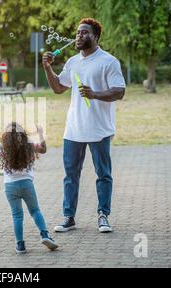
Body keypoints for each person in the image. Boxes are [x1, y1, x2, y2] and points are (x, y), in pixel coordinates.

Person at [42, 18, 126, 233]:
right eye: (78, 32)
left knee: (103, 175)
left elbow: (119, 91)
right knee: (71, 176)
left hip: (99, 130)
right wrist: (47, 68)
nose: (79, 36)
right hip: (73, 129)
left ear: (96, 37)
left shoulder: (108, 61)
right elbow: (59, 88)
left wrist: (95, 94)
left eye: (85, 32)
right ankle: (69, 217)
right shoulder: (72, 62)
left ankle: (103, 216)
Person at [0, 122, 58, 254]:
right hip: (26, 184)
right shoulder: (29, 145)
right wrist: (41, 133)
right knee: (35, 210)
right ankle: (45, 235)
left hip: (10, 187)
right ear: (22, 134)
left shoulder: (2, 147)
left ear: (5, 137)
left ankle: (20, 245)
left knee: (17, 215)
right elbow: (43, 149)